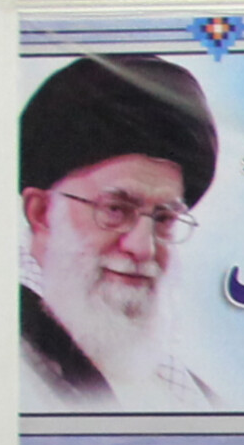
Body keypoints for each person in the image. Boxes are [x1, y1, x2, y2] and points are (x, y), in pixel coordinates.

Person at [18, 53, 220, 406]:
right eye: (115, 210)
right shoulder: (2, 358)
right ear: (42, 213)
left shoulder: (190, 394)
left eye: (163, 219)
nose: (143, 248)